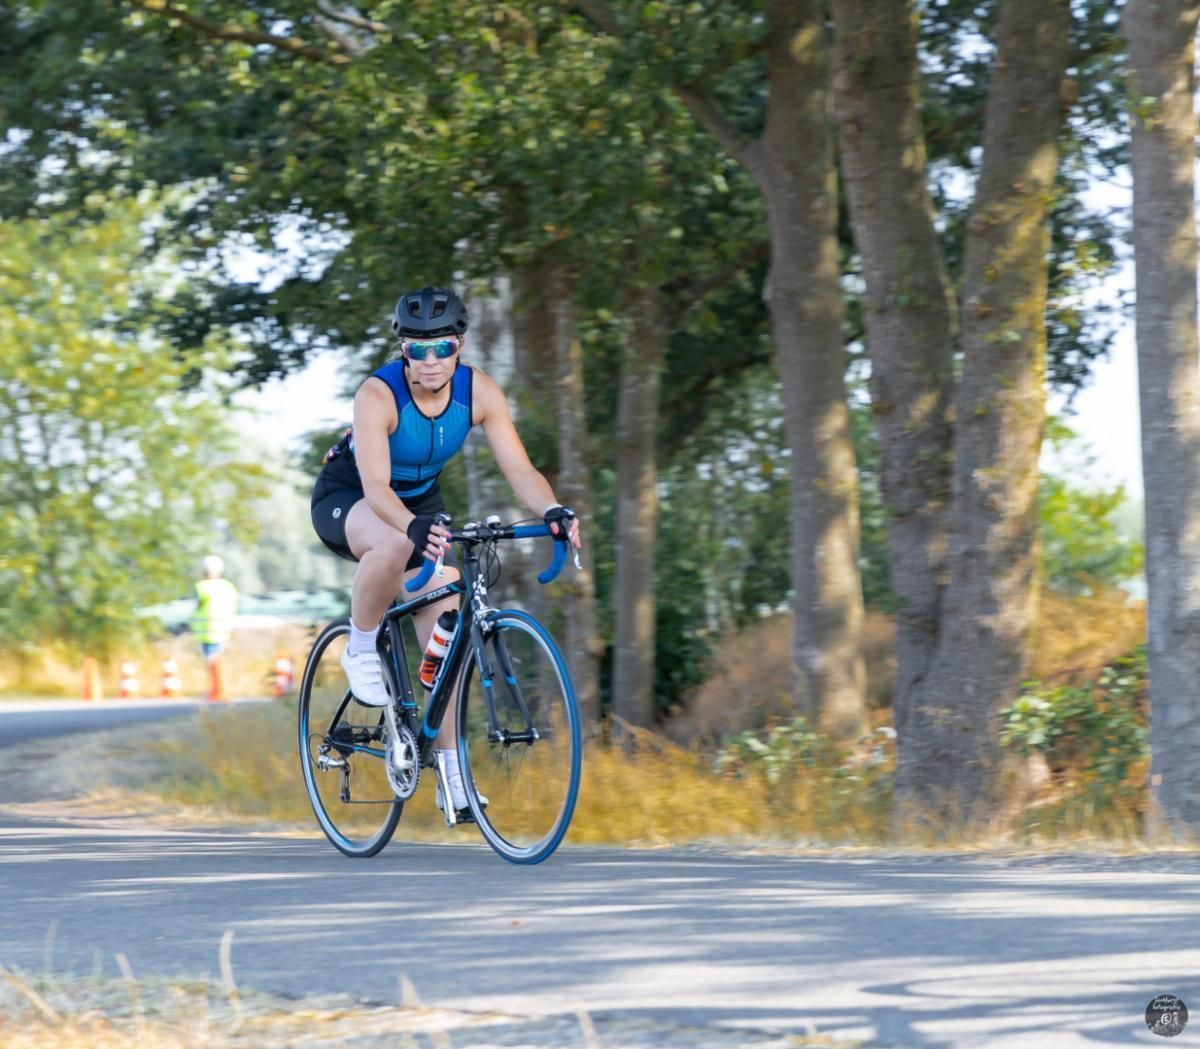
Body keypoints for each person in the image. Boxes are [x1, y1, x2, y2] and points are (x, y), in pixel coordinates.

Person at [310, 285, 581, 818]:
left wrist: (552, 510)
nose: (430, 361)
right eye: (417, 348)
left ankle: (453, 779)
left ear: (459, 345)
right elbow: (377, 486)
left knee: (448, 631)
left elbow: (521, 469)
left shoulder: (480, 393)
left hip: (419, 504)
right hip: (354, 498)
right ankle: (361, 646)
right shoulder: (378, 395)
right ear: (402, 349)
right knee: (391, 542)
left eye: (442, 348)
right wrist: (412, 528)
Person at [192, 554, 239, 702]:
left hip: (208, 630)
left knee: (212, 660)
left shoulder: (202, 587)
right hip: (224, 628)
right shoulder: (228, 586)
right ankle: (217, 689)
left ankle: (218, 690)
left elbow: (198, 605)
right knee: (216, 659)